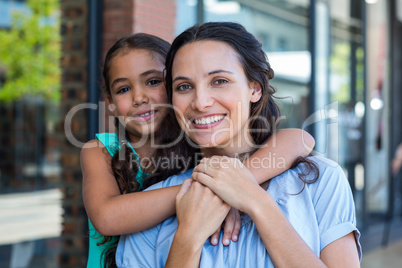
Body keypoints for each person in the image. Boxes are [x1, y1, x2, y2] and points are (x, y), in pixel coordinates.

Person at [115, 22, 361, 267]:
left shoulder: (319, 180)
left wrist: (256, 201)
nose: (200, 102)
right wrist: (188, 237)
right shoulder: (153, 209)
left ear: (254, 88)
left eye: (219, 81)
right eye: (184, 87)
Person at [81, 33, 315, 268]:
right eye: (123, 89)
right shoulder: (102, 150)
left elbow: (300, 139)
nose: (139, 97)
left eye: (153, 82)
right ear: (110, 102)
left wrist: (236, 186)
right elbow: (106, 217)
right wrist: (212, 189)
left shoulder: (198, 138)